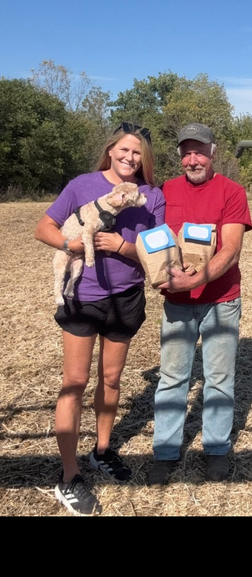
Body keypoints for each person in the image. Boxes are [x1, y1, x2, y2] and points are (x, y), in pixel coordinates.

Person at [35, 122, 165, 516]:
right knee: (74, 382)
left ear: (145, 158)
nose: (130, 158)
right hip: (83, 296)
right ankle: (69, 475)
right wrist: (71, 243)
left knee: (111, 380)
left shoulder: (151, 195)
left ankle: (101, 452)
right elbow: (44, 228)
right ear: (110, 150)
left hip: (126, 297)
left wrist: (125, 247)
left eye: (138, 152)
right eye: (124, 150)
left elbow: (159, 248)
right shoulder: (82, 185)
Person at [149, 122, 252, 485]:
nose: (193, 159)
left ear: (213, 152)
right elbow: (152, 239)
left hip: (221, 300)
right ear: (180, 156)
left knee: (219, 379)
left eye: (199, 151)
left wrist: (196, 278)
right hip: (177, 302)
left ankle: (216, 449)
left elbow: (232, 248)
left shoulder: (232, 191)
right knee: (173, 377)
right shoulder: (165, 190)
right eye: (186, 152)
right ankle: (164, 451)